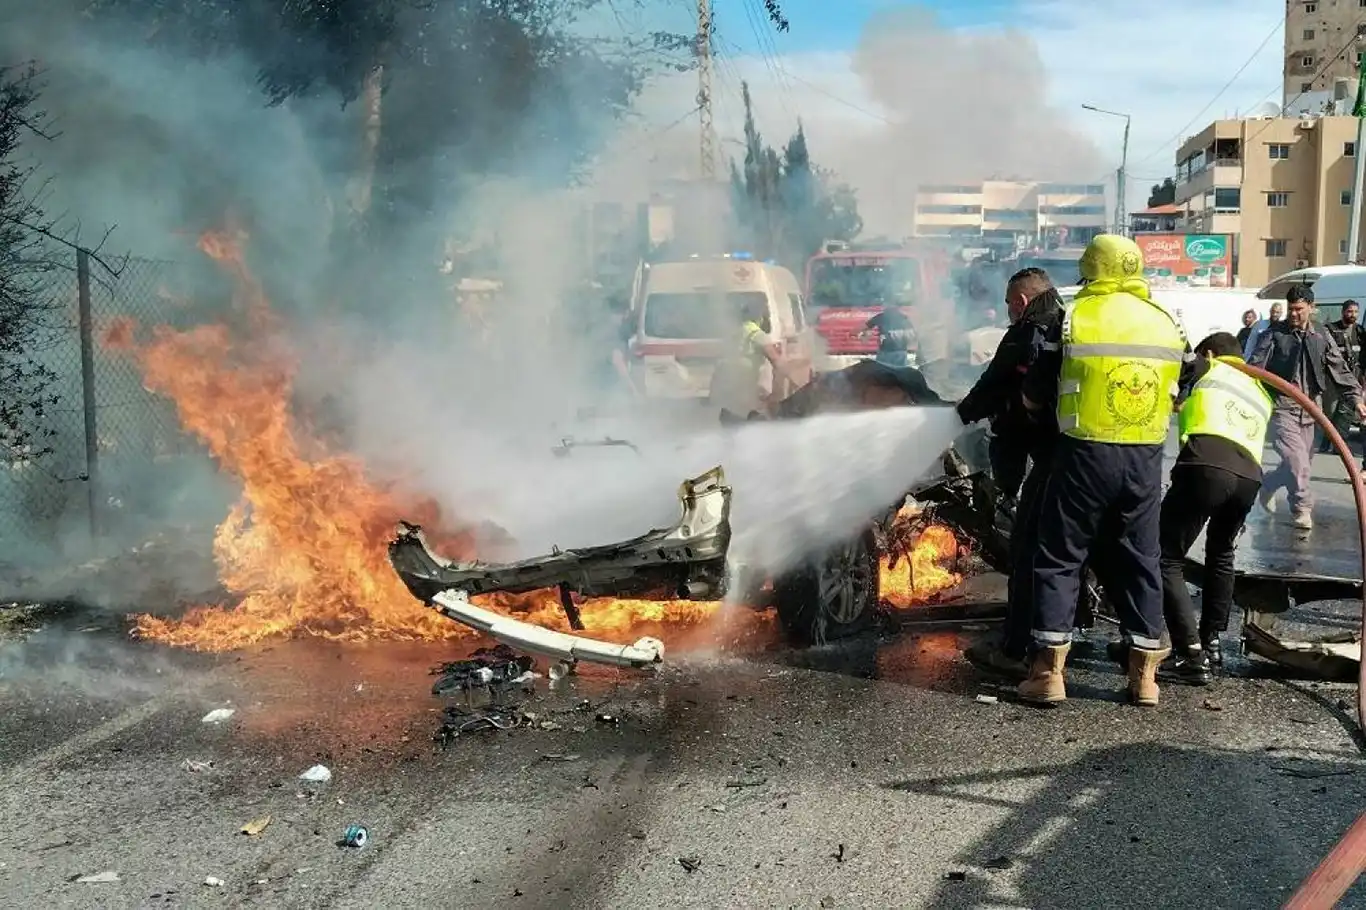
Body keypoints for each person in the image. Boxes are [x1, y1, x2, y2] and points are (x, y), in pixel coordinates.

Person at [1018, 234, 1189, 707]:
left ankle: (1048, 675)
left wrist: (1038, 413)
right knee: (1141, 559)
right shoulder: (1166, 321)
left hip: (1082, 455)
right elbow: (1186, 381)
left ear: (1093, 268)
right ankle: (1144, 681)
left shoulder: (1074, 317)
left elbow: (1034, 390)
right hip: (1144, 457)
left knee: (1060, 556)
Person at [956, 267, 1065, 678]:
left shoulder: (1028, 331)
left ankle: (1018, 650)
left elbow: (995, 387)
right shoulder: (1072, 323)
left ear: (1020, 302)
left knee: (1029, 553)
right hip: (1113, 459)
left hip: (1054, 459)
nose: (1008, 312)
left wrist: (960, 415)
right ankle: (1142, 653)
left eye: (1008, 305)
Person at [1157, 331, 1272, 685]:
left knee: (1166, 556)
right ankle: (1212, 643)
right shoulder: (1260, 389)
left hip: (1206, 466)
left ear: (1210, 352)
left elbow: (1174, 368)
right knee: (1220, 553)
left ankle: (1189, 653)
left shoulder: (1209, 366)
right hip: (1249, 477)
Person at [1249, 285, 1365, 529]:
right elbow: (1255, 367)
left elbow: (1339, 369)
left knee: (1299, 465)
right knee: (1297, 461)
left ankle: (1268, 484)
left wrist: (1356, 399)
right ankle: (1302, 507)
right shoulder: (1274, 334)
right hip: (1282, 407)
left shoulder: (1321, 335)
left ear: (1312, 309)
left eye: (1299, 309)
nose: (1293, 314)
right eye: (1291, 309)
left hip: (1311, 411)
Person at [709, 298, 803, 416]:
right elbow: (777, 362)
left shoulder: (736, 332)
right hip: (744, 381)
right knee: (754, 409)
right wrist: (794, 382)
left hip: (725, 380)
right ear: (759, 317)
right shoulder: (758, 335)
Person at [1319, 299, 1365, 453]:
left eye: (1355, 312)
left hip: (1353, 378)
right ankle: (1326, 440)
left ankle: (1339, 446)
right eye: (1350, 311)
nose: (1353, 315)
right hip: (1332, 379)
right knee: (1331, 412)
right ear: (1343, 312)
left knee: (1346, 411)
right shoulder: (1330, 329)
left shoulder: (1359, 332)